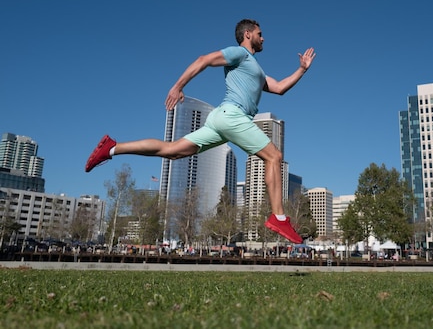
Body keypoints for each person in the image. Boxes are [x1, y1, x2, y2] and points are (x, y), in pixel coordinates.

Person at [85, 19, 316, 244]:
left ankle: (112, 148)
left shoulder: (255, 70)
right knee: (274, 156)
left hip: (221, 121)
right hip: (233, 116)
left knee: (173, 151)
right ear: (247, 34)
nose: (263, 37)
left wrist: (302, 70)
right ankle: (279, 217)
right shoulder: (240, 54)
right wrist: (178, 86)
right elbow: (204, 59)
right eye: (260, 33)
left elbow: (279, 88)